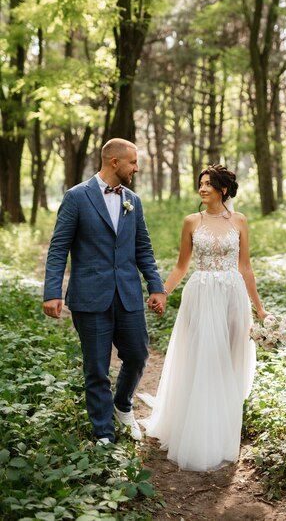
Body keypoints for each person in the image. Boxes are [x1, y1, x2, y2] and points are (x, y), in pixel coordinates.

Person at [140, 164, 270, 471]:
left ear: (223, 189)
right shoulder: (191, 221)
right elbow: (181, 266)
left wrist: (260, 308)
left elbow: (246, 267)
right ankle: (199, 430)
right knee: (204, 358)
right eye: (201, 183)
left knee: (229, 358)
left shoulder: (239, 221)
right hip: (201, 294)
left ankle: (223, 426)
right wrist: (164, 292)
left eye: (209, 184)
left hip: (233, 296)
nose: (202, 188)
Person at [43, 138, 166, 445]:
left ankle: (122, 405)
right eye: (133, 163)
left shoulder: (133, 201)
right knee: (97, 368)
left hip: (127, 294)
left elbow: (143, 249)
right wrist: (51, 291)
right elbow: (59, 248)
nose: (136, 168)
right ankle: (104, 435)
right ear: (115, 162)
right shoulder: (76, 198)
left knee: (137, 355)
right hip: (90, 296)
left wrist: (156, 286)